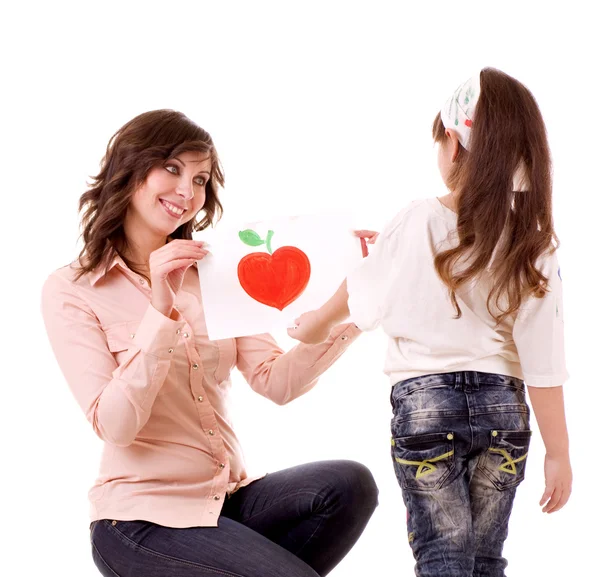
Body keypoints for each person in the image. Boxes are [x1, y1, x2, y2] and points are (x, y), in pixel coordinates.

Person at [41, 109, 379, 577]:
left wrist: (354, 302)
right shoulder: (73, 289)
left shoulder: (215, 273)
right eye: (173, 169)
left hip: (225, 504)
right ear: (131, 168)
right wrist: (159, 310)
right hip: (139, 520)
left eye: (200, 179)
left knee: (348, 484)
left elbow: (276, 382)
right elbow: (114, 425)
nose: (187, 191)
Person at [288, 68, 572, 577]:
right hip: (504, 414)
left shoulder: (417, 218)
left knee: (442, 557)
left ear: (453, 144)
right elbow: (544, 364)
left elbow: (360, 291)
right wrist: (559, 453)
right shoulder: (533, 245)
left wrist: (313, 325)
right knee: (485, 562)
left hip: (425, 408)